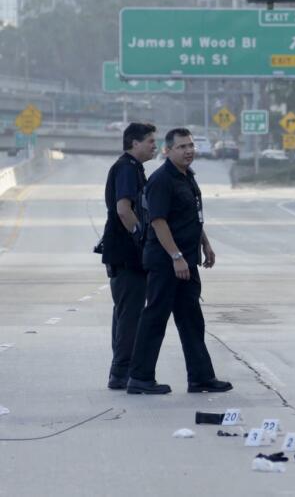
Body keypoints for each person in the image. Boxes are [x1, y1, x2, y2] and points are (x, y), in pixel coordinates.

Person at [126, 128, 231, 395]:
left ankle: (200, 378)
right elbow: (159, 222)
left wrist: (205, 244)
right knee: (156, 317)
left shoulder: (188, 177)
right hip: (166, 262)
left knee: (191, 319)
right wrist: (176, 257)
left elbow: (192, 217)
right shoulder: (162, 180)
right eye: (181, 146)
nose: (188, 151)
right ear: (168, 150)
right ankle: (139, 378)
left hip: (186, 261)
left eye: (191, 146)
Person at [102, 122, 156, 390]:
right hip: (126, 253)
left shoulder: (134, 168)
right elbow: (124, 209)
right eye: (150, 141)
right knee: (130, 315)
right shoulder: (126, 168)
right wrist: (142, 237)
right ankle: (121, 373)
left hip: (124, 253)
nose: (154, 146)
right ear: (134, 143)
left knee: (125, 314)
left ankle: (121, 370)